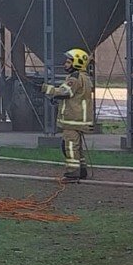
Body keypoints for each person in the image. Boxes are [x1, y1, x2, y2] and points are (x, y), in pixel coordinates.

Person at [42, 48, 94, 180]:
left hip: (73, 119)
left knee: (69, 146)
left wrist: (45, 88)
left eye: (68, 62)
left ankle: (72, 173)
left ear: (77, 63)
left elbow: (65, 92)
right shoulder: (84, 77)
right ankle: (81, 170)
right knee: (76, 146)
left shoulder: (75, 77)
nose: (65, 64)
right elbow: (72, 96)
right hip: (79, 119)